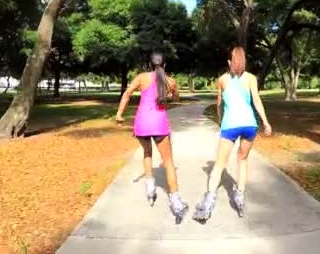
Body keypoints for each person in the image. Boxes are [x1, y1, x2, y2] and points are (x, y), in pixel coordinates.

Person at [193, 46, 272, 221]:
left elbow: (219, 104)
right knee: (242, 160)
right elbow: (256, 100)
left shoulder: (221, 80)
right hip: (249, 125)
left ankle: (208, 202)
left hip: (230, 125)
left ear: (229, 62)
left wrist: (221, 120)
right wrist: (265, 122)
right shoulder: (251, 78)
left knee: (219, 165)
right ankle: (240, 197)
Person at [116, 52, 189, 223]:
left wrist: (119, 114)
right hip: (159, 125)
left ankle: (150, 188)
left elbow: (127, 94)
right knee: (169, 162)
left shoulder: (141, 77)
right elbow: (177, 99)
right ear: (165, 65)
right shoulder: (170, 81)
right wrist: (174, 91)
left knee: (147, 154)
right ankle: (176, 202)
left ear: (150, 64)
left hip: (141, 123)